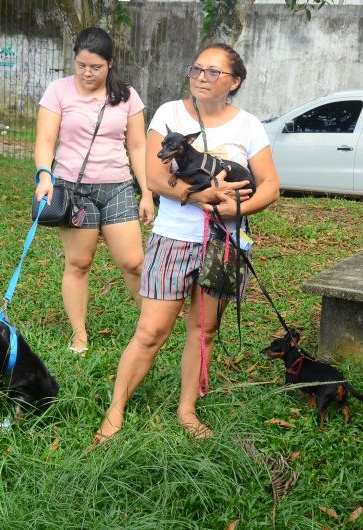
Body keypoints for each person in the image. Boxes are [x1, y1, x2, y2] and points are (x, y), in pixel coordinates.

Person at [95, 43, 280, 442]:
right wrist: (198, 197)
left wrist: (233, 211)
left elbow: (270, 186)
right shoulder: (169, 113)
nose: (201, 77)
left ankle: (187, 409)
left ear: (235, 82)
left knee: (204, 330)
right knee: (151, 330)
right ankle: (115, 410)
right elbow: (155, 176)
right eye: (197, 69)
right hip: (173, 239)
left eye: (213, 72)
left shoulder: (248, 125)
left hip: (223, 244)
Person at [33, 27, 154, 354]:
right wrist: (45, 176)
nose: (87, 73)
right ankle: (79, 334)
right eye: (81, 65)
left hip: (117, 188)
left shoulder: (127, 96)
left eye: (96, 67)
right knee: (79, 263)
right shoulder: (58, 91)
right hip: (73, 191)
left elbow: (138, 146)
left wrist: (146, 192)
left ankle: (152, 324)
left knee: (133, 263)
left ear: (110, 64)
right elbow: (45, 141)